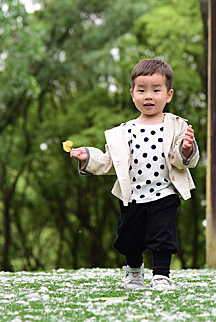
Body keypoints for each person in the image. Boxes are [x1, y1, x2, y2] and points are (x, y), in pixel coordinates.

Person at [69, 58, 199, 290]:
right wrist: (87, 157)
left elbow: (179, 160)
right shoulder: (123, 131)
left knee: (163, 235)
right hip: (134, 196)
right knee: (130, 239)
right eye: (142, 90)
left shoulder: (177, 125)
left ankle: (161, 275)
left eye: (156, 90)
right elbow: (111, 162)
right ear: (132, 94)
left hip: (165, 193)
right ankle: (134, 272)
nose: (148, 96)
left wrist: (187, 149)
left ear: (169, 95)